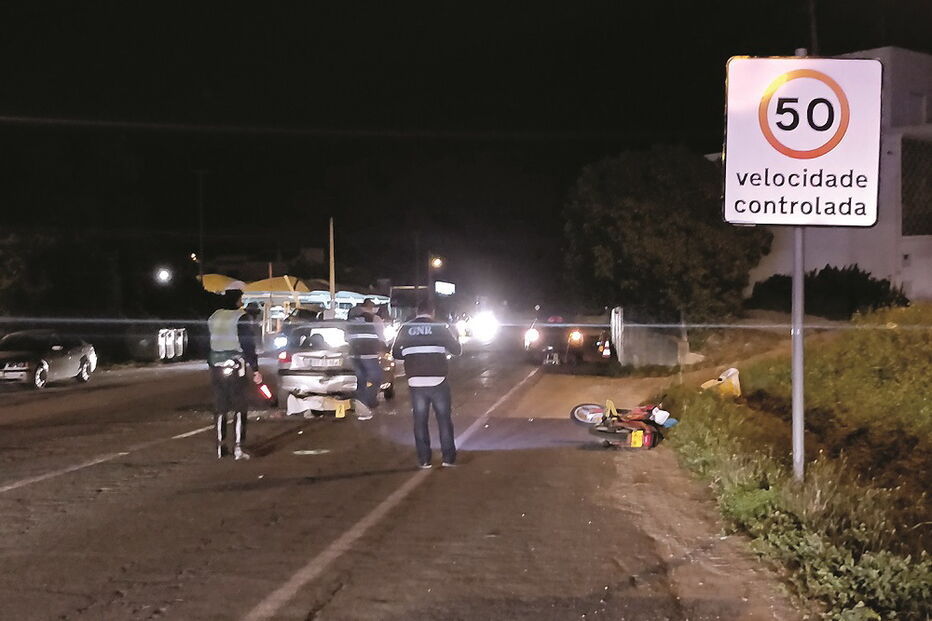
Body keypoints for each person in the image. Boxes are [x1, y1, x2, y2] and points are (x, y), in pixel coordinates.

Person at [391, 300, 462, 469]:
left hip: (415, 381)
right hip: (438, 380)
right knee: (444, 420)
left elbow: (395, 353)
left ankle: (424, 459)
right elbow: (457, 350)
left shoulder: (405, 328)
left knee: (420, 421)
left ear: (417, 312)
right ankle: (448, 458)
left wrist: (410, 354)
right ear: (432, 312)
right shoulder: (439, 327)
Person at [207, 287, 262, 460]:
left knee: (220, 407)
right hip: (236, 365)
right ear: (236, 300)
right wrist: (255, 369)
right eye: (240, 299)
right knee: (240, 406)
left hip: (216, 365)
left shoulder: (214, 316)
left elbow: (206, 339)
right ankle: (238, 447)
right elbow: (248, 344)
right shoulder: (240, 317)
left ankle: (220, 445)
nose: (241, 302)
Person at [346, 299, 384, 421]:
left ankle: (362, 405)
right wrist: (382, 349)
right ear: (371, 307)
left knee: (361, 379)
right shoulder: (375, 319)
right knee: (376, 378)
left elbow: (346, 337)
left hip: (354, 353)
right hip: (369, 352)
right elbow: (381, 337)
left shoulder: (352, 319)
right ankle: (366, 401)